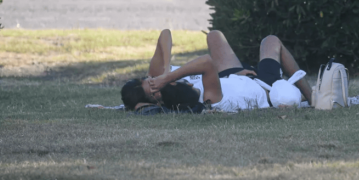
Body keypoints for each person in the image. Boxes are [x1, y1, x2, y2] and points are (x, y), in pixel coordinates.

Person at [121, 29, 312, 113]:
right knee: (271, 41)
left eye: (150, 80)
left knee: (214, 36)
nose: (155, 82)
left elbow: (165, 34)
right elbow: (206, 62)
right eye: (153, 89)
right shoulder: (201, 99)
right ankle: (312, 98)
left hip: (228, 78)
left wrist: (163, 73)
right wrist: (168, 78)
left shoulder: (162, 80)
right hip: (260, 83)